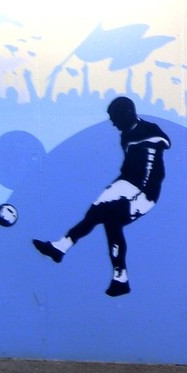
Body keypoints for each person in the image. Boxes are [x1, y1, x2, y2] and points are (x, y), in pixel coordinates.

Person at [33, 96, 171, 297]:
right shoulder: (125, 135)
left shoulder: (149, 132)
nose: (113, 123)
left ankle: (116, 276)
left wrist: (135, 196)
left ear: (127, 114)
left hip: (144, 192)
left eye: (115, 118)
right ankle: (66, 251)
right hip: (125, 185)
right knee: (96, 213)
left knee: (109, 219)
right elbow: (131, 167)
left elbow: (155, 161)